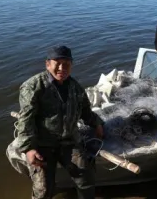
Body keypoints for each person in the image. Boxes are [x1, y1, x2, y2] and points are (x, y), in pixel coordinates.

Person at [13, 45, 104, 199]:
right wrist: (29, 149)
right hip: (43, 144)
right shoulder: (33, 86)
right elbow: (25, 119)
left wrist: (97, 124)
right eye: (57, 63)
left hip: (69, 141)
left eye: (67, 64)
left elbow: (86, 112)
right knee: (43, 189)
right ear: (48, 64)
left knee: (85, 180)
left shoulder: (76, 88)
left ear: (72, 65)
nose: (62, 68)